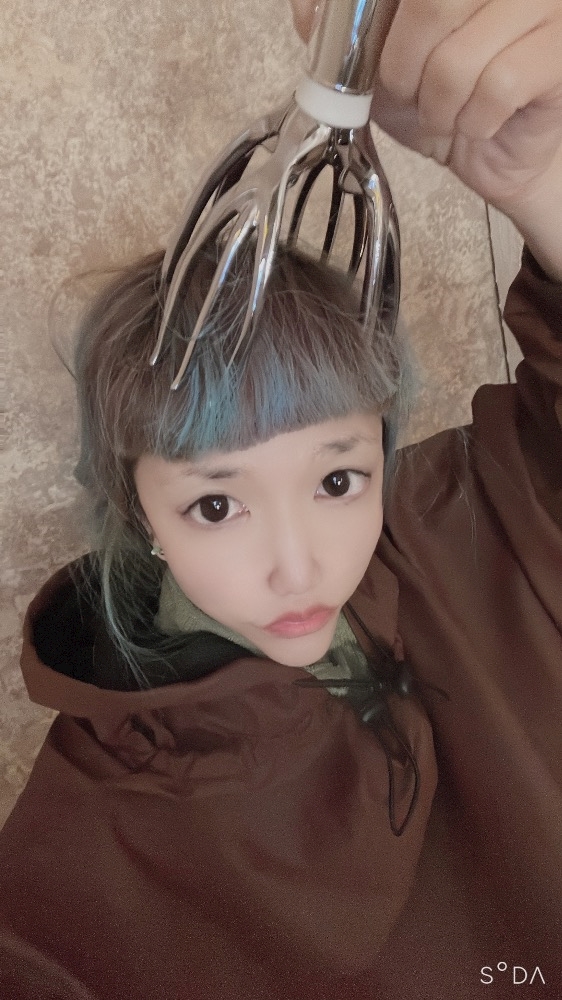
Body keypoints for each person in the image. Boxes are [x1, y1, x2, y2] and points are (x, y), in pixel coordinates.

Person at [0, 1, 561, 998]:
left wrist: (546, 179)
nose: (300, 566)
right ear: (140, 509)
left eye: (338, 480)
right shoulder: (75, 867)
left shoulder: (468, 527)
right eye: (217, 505)